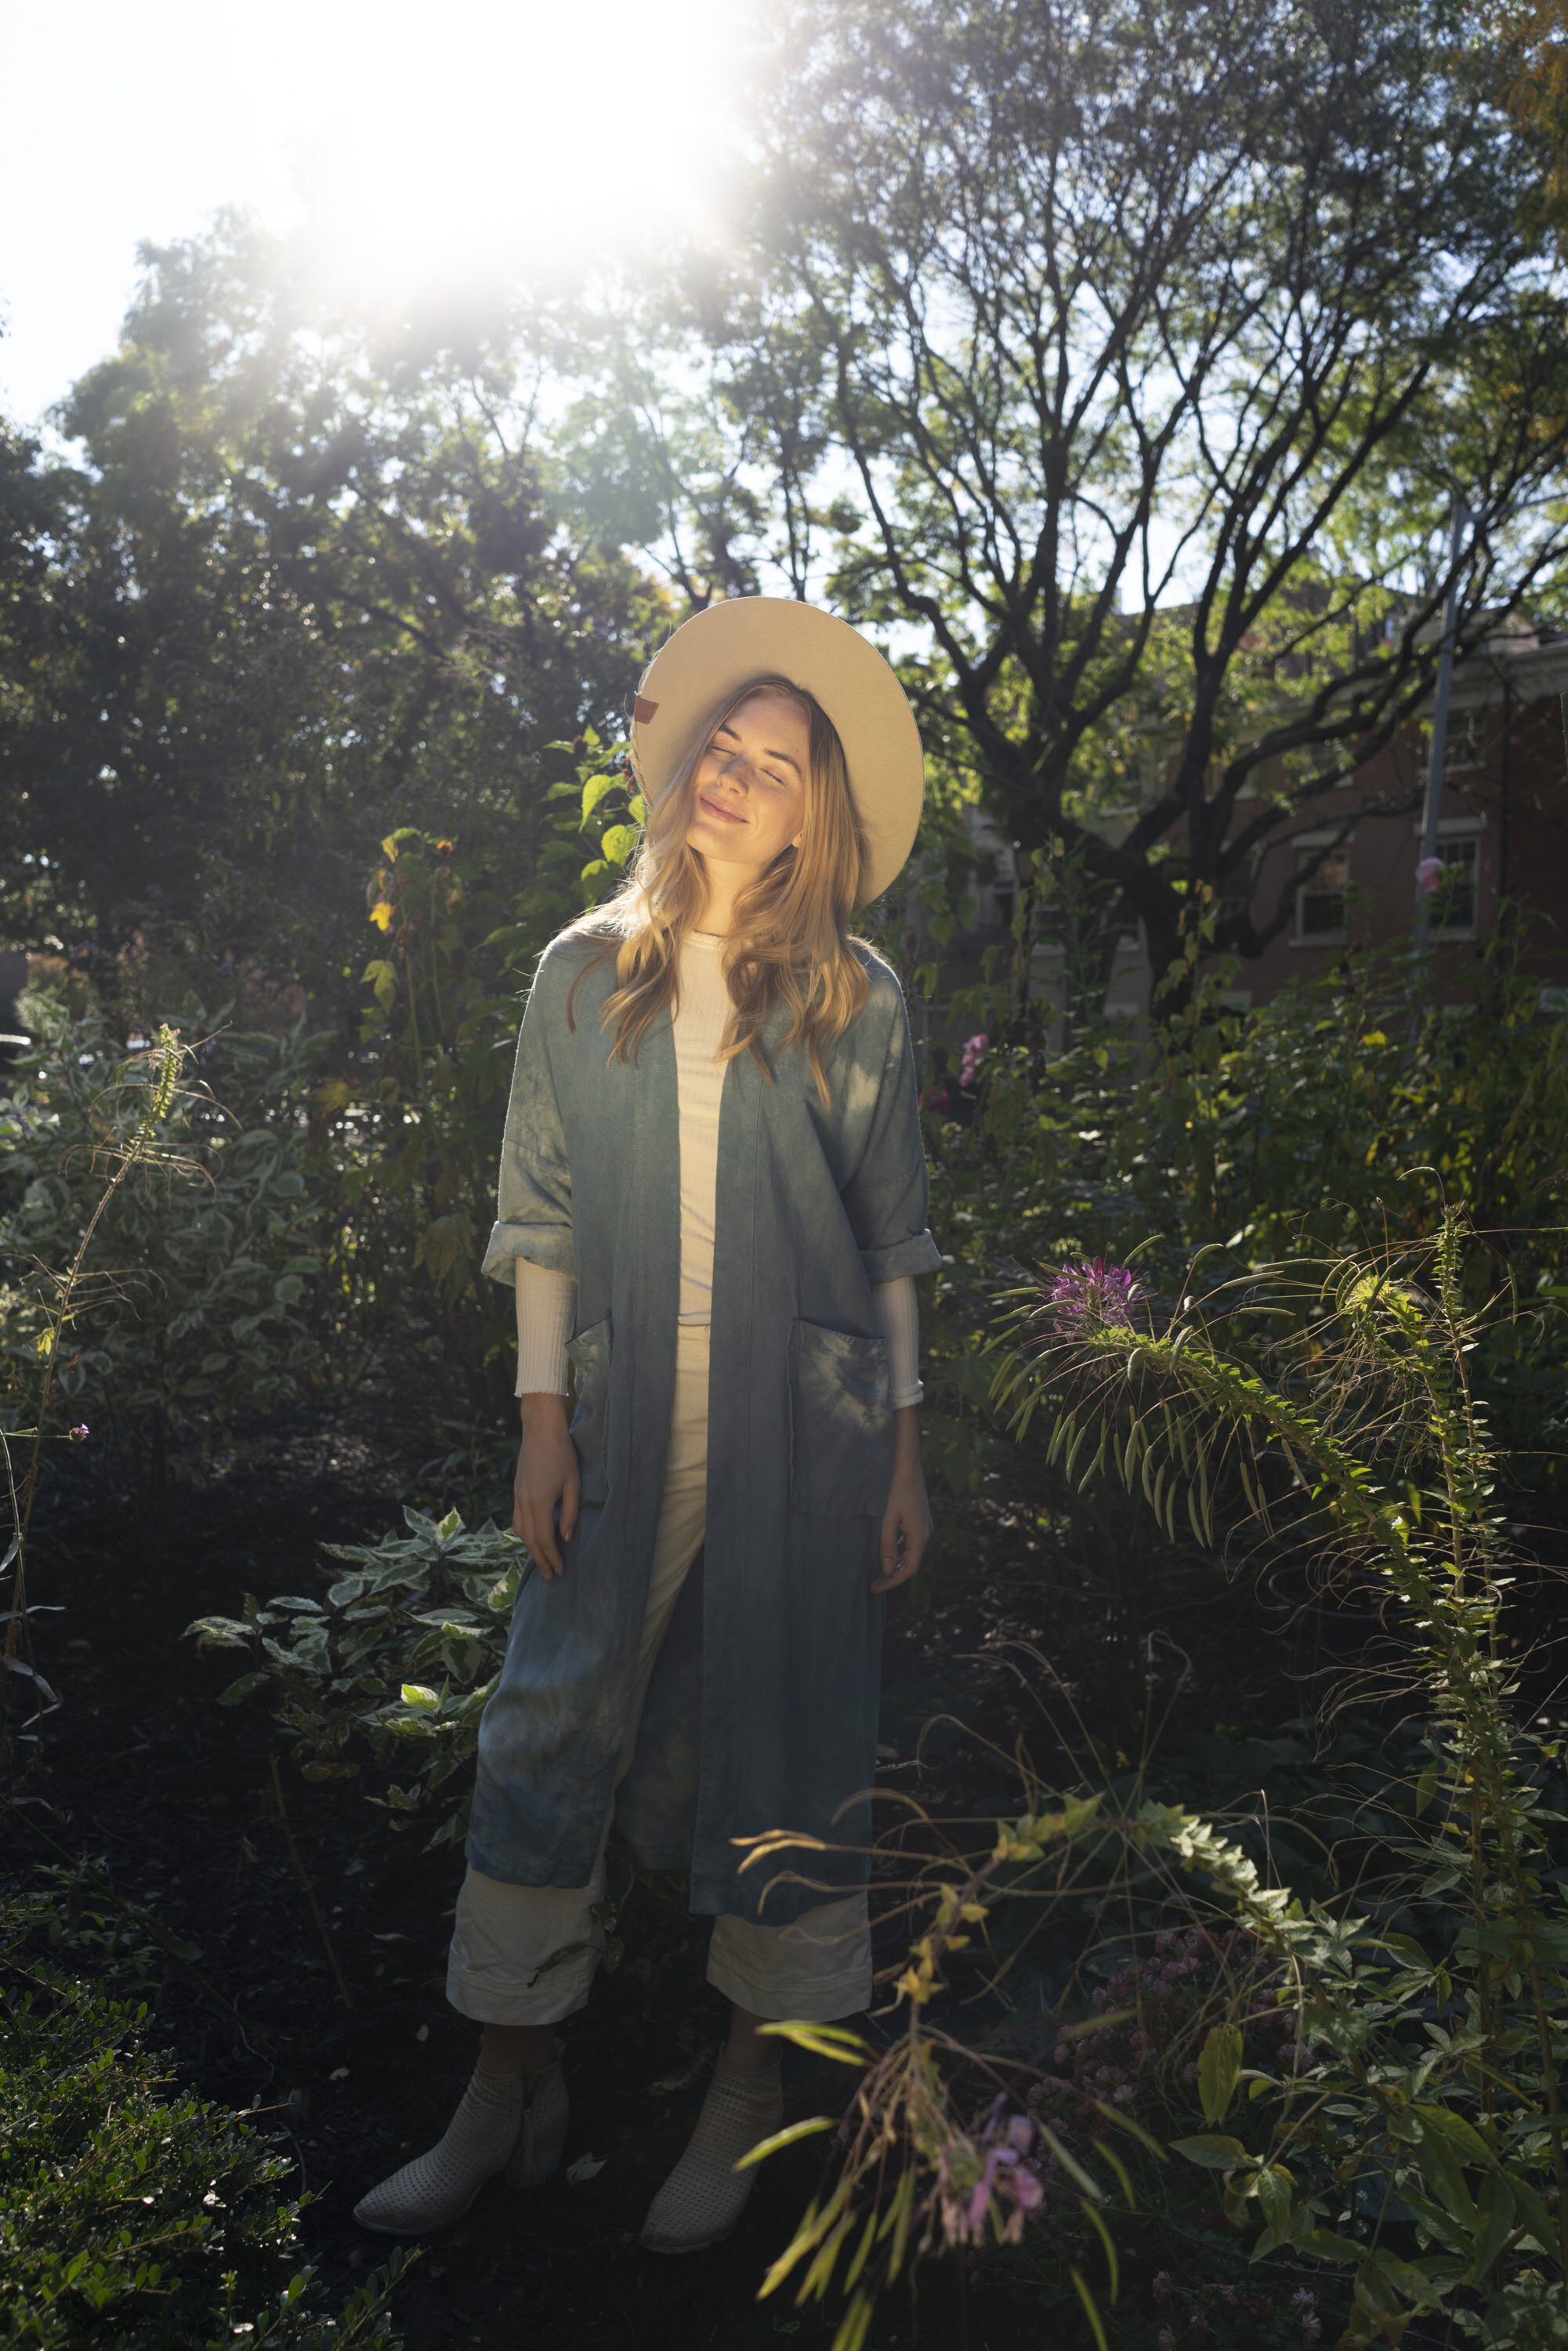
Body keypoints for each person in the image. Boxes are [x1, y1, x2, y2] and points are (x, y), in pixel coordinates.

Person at [354, 596, 940, 2254]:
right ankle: (507, 2085)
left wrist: (903, 1443)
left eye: (775, 766)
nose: (736, 782)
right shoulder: (580, 971)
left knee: (784, 1733)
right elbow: (537, 1212)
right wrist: (542, 1420)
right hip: (618, 1413)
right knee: (547, 1721)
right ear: (683, 765)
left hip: (809, 1421)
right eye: (723, 752)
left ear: (813, 812)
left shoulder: (854, 995)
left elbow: (893, 1236)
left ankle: (746, 2095)